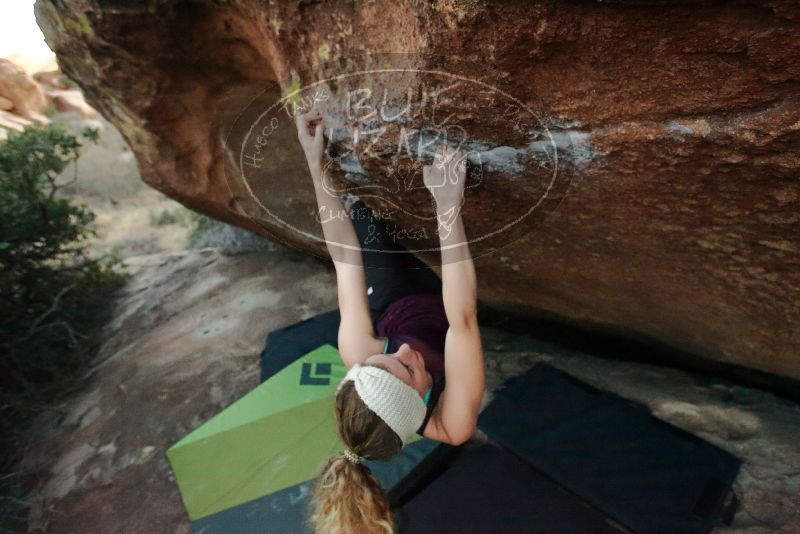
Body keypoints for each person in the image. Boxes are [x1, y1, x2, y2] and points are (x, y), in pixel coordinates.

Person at [294, 106, 485, 534]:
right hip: (446, 311)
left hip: (396, 300)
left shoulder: (358, 352)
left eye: (385, 359)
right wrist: (447, 205)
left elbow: (345, 260)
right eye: (408, 369)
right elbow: (463, 319)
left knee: (367, 218)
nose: (405, 351)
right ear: (420, 402)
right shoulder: (450, 421)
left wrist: (314, 160)